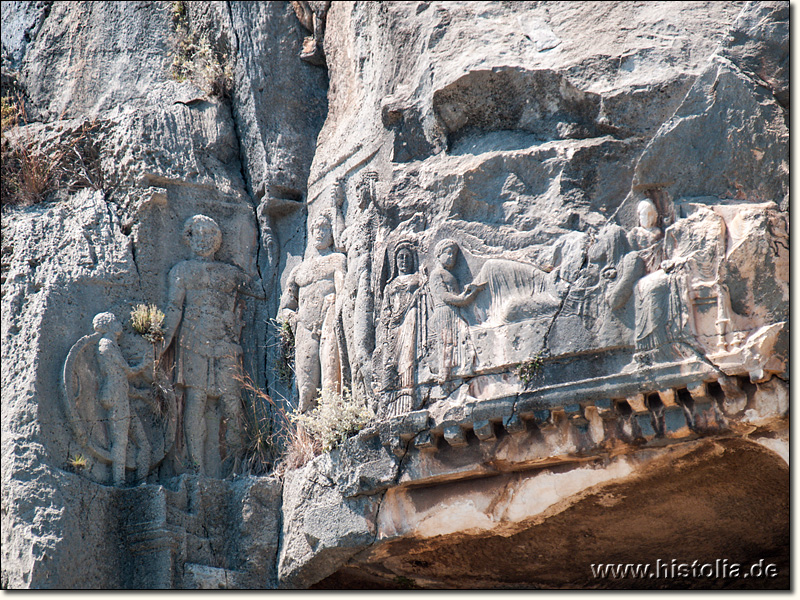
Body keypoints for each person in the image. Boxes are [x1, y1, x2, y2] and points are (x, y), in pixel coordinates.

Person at [161, 215, 252, 475]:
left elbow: (256, 292)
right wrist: (163, 342)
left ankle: (237, 464)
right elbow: (174, 308)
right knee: (196, 401)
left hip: (226, 343)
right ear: (188, 238)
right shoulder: (181, 271)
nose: (203, 239)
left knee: (232, 402)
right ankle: (196, 467)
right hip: (192, 341)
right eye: (197, 234)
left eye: (209, 234)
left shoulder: (231, 273)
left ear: (218, 240)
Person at [279, 214, 347, 412]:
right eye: (316, 229)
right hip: (305, 328)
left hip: (328, 321)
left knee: (330, 377)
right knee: (306, 383)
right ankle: (305, 435)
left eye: (325, 229)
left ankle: (330, 426)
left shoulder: (337, 260)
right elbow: (286, 305)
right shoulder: (300, 269)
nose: (320, 233)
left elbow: (342, 289)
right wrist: (293, 319)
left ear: (332, 234)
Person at [93, 312, 150, 486]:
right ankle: (119, 481)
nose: (120, 325)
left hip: (122, 395)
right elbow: (126, 371)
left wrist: (139, 393)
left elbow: (120, 377)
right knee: (121, 441)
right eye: (116, 321)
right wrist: (144, 363)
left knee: (144, 443)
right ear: (109, 325)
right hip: (115, 396)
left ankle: (142, 481)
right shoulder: (107, 345)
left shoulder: (112, 345)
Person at [428, 239, 485, 385]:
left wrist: (470, 293)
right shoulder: (436, 274)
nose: (452, 257)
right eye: (448, 253)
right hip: (445, 312)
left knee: (460, 337)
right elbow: (444, 296)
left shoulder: (448, 275)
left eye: (454, 254)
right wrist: (463, 297)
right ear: (438, 254)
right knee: (447, 341)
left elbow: (457, 297)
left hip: (454, 309)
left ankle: (462, 369)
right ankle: (444, 373)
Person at [379, 241, 424, 416]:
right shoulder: (390, 285)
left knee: (407, 356)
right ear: (395, 262)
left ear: (412, 260)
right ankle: (390, 399)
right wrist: (387, 322)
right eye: (400, 257)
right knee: (390, 360)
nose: (403, 261)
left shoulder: (417, 279)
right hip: (394, 326)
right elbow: (386, 308)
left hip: (409, 320)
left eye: (407, 257)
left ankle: (408, 394)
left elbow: (423, 295)